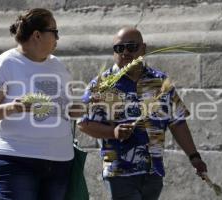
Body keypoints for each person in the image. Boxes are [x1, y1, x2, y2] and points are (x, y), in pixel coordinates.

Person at [78, 27, 208, 200]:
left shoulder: (160, 82)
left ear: (143, 48)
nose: (125, 52)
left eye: (131, 47)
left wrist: (194, 156)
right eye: (119, 48)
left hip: (153, 172)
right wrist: (113, 132)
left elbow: (177, 122)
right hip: (119, 173)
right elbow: (83, 123)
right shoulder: (101, 84)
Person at [0, 8, 75, 200]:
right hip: (15, 160)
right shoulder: (3, 64)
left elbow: (67, 110)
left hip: (60, 160)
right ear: (37, 35)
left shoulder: (59, 66)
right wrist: (12, 107)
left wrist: (87, 107)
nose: (58, 38)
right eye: (54, 32)